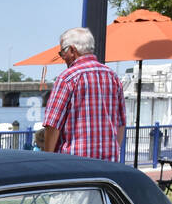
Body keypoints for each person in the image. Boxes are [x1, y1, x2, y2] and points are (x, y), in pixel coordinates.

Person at [41, 27, 126, 161]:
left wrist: (46, 159)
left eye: (63, 52)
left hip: (74, 164)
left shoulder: (67, 78)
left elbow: (52, 125)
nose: (63, 57)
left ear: (72, 50)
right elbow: (121, 123)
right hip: (108, 165)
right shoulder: (113, 76)